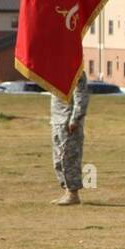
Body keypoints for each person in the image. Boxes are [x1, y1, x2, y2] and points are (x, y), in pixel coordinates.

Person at [49, 72, 90, 206]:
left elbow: (81, 96)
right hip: (57, 120)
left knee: (69, 158)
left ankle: (73, 193)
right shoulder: (58, 70)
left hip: (69, 123)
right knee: (58, 160)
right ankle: (67, 191)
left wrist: (75, 119)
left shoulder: (76, 71)